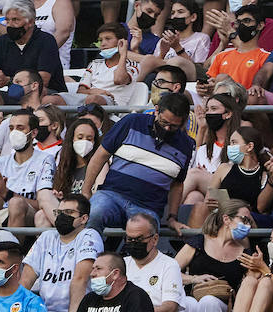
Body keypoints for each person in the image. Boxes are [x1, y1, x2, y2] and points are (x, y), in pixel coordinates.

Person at [82, 92, 193, 234]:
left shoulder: (186, 145)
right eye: (164, 122)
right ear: (156, 110)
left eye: (173, 126)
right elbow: (101, 155)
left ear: (183, 122)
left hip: (148, 207)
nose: (167, 129)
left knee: (145, 234)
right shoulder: (131, 122)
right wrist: (85, 192)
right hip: (111, 195)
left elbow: (177, 184)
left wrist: (172, 218)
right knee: (94, 213)